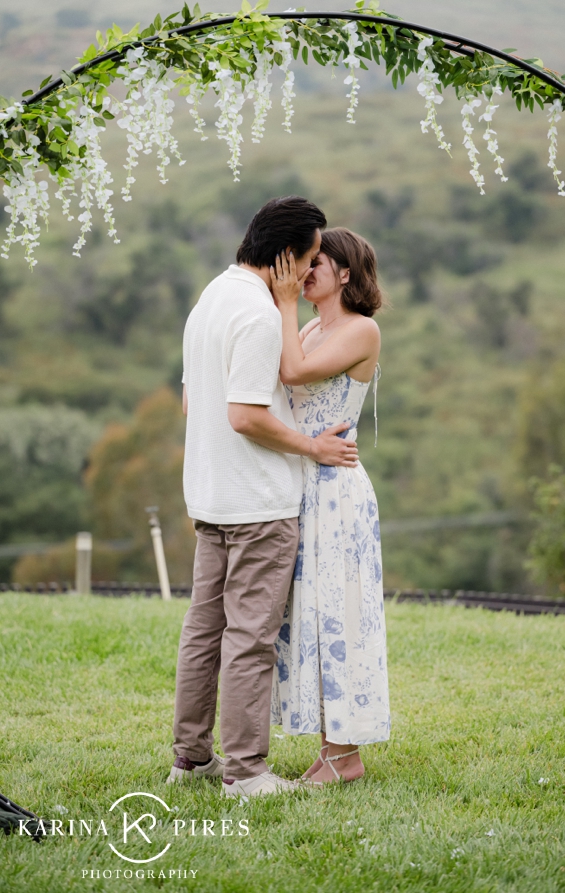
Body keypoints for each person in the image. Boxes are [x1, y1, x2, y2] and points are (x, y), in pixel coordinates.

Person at [170, 197, 360, 797]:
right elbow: (245, 415)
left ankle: (190, 759)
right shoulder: (255, 313)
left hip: (209, 496)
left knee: (203, 631)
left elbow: (190, 404)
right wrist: (311, 447)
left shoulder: (210, 299)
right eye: (306, 259)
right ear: (284, 253)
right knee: (248, 639)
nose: (307, 274)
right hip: (256, 504)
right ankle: (246, 772)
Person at [269, 227, 390, 784]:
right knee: (311, 613)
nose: (305, 268)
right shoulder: (315, 326)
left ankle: (347, 754)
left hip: (337, 489)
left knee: (339, 612)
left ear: (345, 274)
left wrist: (284, 302)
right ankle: (330, 748)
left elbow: (291, 373)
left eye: (318, 261)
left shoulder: (362, 330)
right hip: (302, 482)